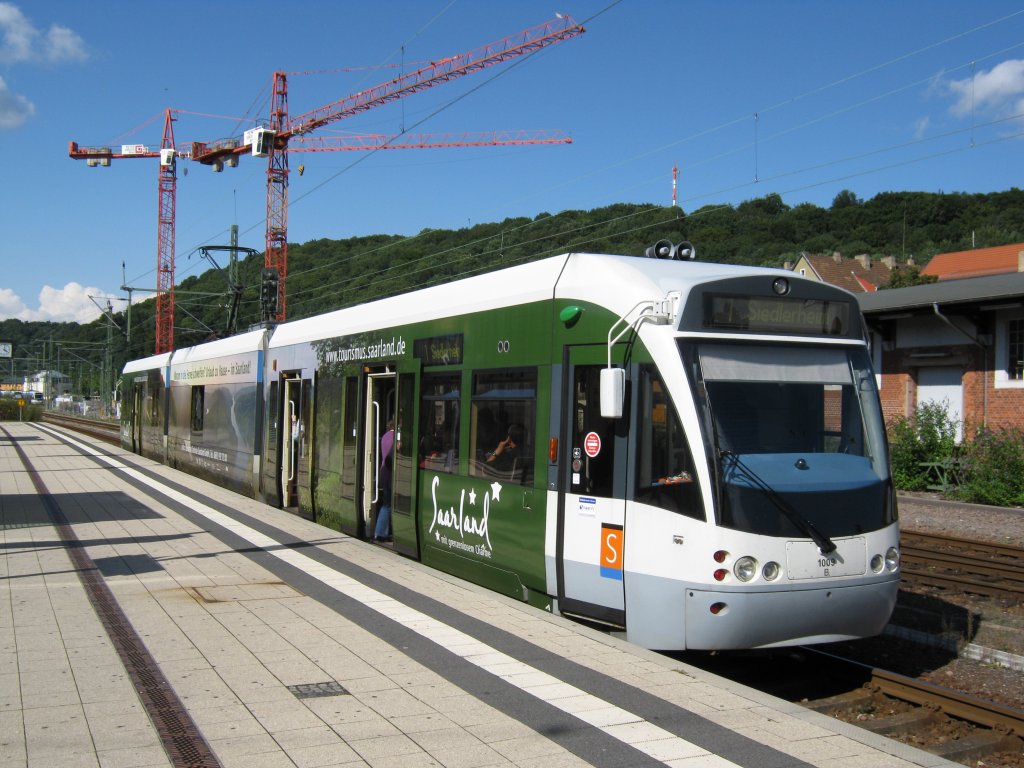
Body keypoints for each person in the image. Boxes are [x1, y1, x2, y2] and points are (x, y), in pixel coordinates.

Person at [374, 419, 395, 542]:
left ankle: (381, 531)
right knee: (387, 504)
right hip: (389, 474)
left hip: (383, 472)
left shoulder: (385, 436)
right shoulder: (394, 437)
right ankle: (381, 532)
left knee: (387, 503)